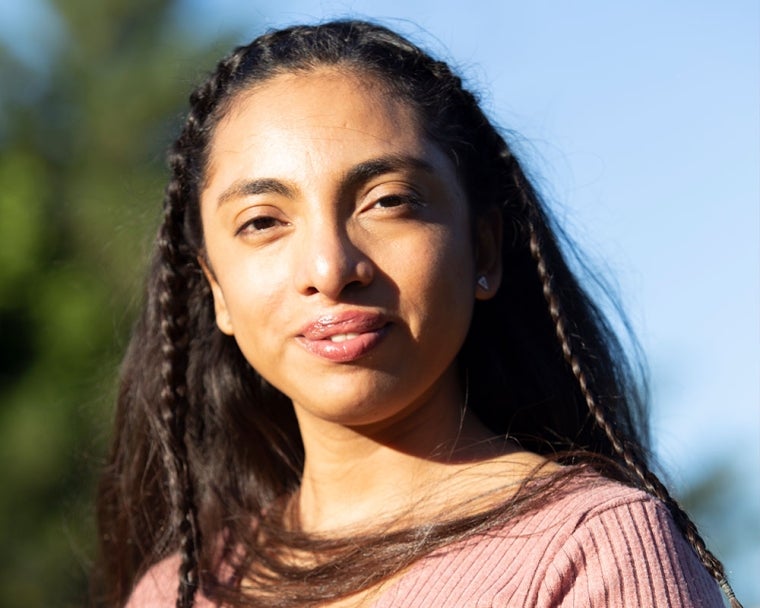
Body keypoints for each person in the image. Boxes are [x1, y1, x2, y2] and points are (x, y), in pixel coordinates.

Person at [95, 20, 741, 608]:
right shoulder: (178, 591)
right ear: (217, 292)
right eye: (263, 221)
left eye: (389, 201)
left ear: (482, 248)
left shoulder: (594, 552)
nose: (329, 268)